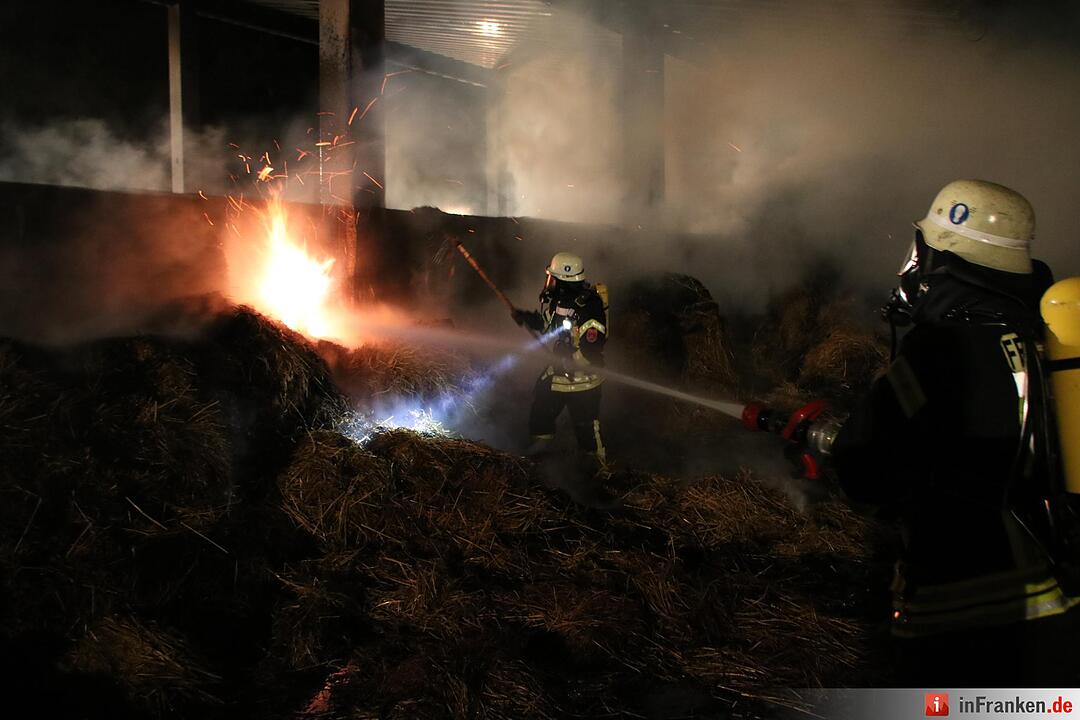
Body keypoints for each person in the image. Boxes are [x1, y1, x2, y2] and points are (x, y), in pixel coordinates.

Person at [798, 179, 1079, 685]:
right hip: (1056, 597)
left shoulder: (938, 351)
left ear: (945, 258)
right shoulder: (1039, 337)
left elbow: (867, 471)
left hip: (964, 614)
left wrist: (829, 438)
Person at [512, 252, 609, 473]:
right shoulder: (560, 302)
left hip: (584, 381)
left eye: (553, 278)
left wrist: (570, 360)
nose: (550, 283)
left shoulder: (589, 306)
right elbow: (548, 325)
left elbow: (593, 346)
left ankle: (600, 471)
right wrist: (526, 317)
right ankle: (539, 453)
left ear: (564, 281)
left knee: (587, 428)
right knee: (541, 409)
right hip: (559, 375)